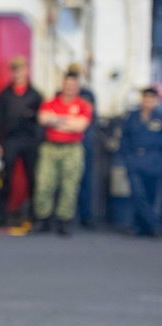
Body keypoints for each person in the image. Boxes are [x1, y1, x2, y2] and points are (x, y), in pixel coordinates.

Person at [32, 71, 93, 235]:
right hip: (50, 147)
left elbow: (79, 126)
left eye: (73, 85)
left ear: (78, 87)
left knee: (69, 186)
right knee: (44, 183)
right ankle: (42, 219)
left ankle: (64, 221)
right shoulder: (50, 102)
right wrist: (67, 120)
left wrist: (56, 120)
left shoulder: (83, 105)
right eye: (67, 84)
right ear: (62, 84)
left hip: (72, 149)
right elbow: (43, 119)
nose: (69, 87)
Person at [0, 56, 43, 226]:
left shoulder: (35, 95)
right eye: (14, 69)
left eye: (21, 69)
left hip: (30, 142)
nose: (18, 72)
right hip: (10, 140)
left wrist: (38, 141)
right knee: (6, 179)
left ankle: (35, 216)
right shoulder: (5, 94)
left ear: (26, 70)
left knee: (33, 179)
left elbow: (41, 121)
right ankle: (2, 215)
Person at [119, 87, 162, 237]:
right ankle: (154, 224)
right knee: (138, 194)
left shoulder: (159, 116)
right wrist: (127, 156)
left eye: (151, 99)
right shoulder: (132, 116)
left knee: (150, 195)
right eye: (146, 98)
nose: (148, 102)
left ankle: (141, 227)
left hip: (154, 160)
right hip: (135, 158)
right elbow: (124, 137)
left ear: (156, 101)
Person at [67, 63, 98, 228]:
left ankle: (85, 215)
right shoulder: (60, 95)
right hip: (64, 143)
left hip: (84, 142)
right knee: (66, 182)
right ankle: (67, 216)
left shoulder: (88, 95)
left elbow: (89, 121)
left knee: (85, 180)